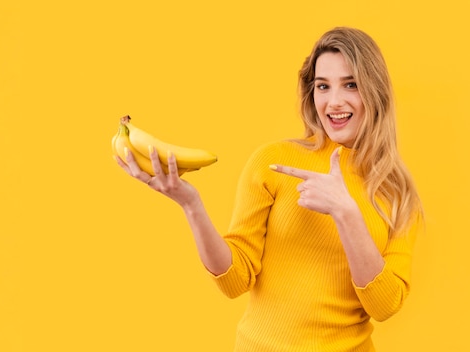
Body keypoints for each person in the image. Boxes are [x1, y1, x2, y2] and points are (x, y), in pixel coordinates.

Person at [114, 26, 424, 352]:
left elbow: (384, 306)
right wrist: (191, 204)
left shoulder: (399, 195)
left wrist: (346, 213)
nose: (334, 101)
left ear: (375, 91)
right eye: (323, 86)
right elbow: (235, 281)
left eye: (350, 84)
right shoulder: (274, 162)